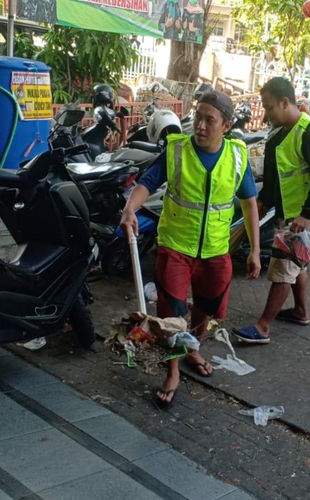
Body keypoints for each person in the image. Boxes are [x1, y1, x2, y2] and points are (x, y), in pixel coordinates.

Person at [120, 91, 261, 407]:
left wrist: (253, 250)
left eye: (209, 120)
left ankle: (192, 347)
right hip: (175, 246)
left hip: (215, 249)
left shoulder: (237, 157)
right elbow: (147, 183)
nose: (200, 125)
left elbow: (249, 203)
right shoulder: (176, 151)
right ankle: (173, 371)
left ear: (225, 125)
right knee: (171, 314)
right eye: (198, 117)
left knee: (209, 309)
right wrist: (130, 208)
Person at [233, 77, 310, 344]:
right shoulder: (280, 133)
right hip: (289, 211)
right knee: (297, 264)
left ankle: (263, 327)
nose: (266, 114)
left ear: (285, 102)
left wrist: (306, 214)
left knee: (285, 265)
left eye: (269, 108)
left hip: (305, 214)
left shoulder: (309, 132)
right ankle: (300, 311)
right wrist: (264, 201)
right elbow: (277, 176)